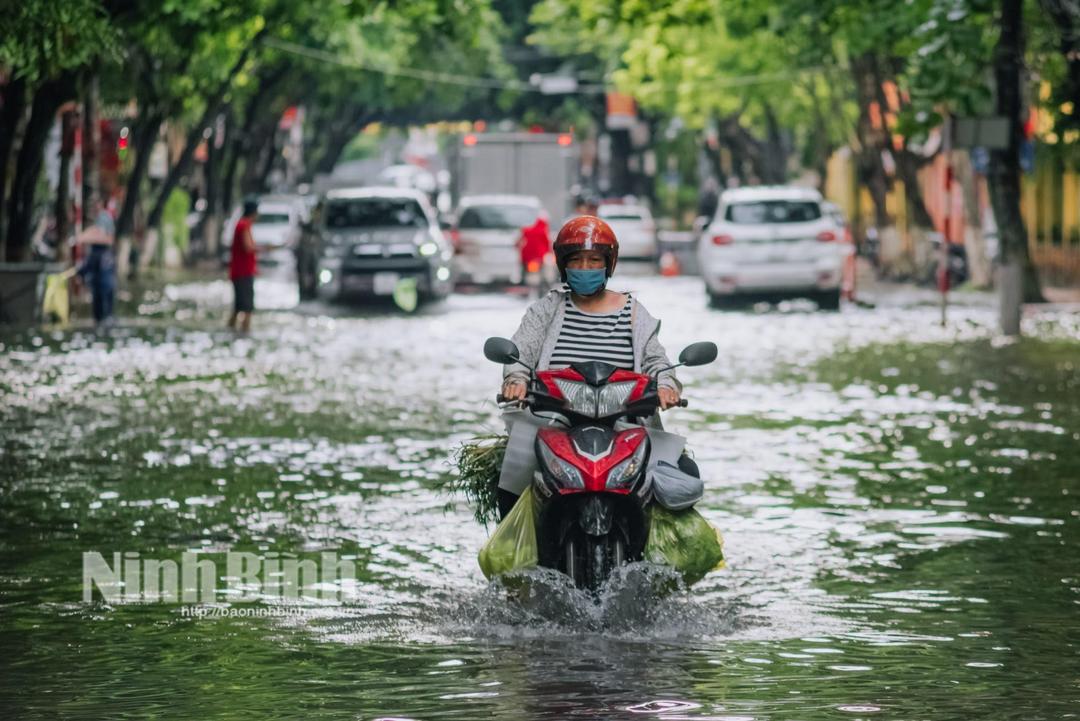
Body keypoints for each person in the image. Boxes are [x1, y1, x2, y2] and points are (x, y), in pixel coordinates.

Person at [498, 215, 694, 515]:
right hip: (556, 419)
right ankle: (519, 550)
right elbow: (522, 351)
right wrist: (517, 378)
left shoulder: (634, 313)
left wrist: (666, 385)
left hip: (624, 421)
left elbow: (657, 360)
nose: (586, 268)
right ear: (565, 265)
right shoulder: (547, 309)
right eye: (577, 261)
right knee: (510, 475)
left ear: (609, 263)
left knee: (684, 473)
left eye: (594, 260)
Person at [76, 196, 117, 326]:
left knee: (100, 319)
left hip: (100, 289)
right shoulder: (109, 254)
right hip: (109, 288)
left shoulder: (96, 252)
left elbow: (87, 267)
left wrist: (79, 272)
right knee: (108, 316)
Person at [228, 198, 258, 333]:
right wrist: (265, 248)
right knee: (247, 308)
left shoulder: (240, 224)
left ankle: (231, 331)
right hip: (243, 273)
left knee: (237, 308)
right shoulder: (244, 225)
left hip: (238, 272)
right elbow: (248, 247)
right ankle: (245, 333)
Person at [517, 210, 551, 296]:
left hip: (527, 256)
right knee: (542, 272)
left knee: (525, 272)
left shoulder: (527, 230)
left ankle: (524, 286)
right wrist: (549, 251)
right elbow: (547, 243)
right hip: (539, 256)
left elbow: (519, 241)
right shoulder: (543, 231)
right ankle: (544, 285)